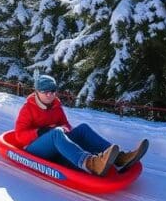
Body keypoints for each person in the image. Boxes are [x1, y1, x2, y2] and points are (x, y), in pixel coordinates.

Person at [13, 75, 149, 177]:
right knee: (56, 133)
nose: (50, 95)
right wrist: (39, 132)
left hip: (55, 140)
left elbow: (65, 124)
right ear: (37, 92)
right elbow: (19, 136)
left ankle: (119, 158)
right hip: (35, 148)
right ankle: (90, 163)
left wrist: (65, 129)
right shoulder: (28, 109)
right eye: (45, 91)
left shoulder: (56, 106)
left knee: (82, 128)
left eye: (53, 91)